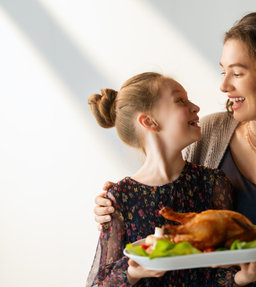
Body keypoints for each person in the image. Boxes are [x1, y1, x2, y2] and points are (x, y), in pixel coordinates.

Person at [94, 12, 256, 287]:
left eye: (237, 73)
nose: (224, 86)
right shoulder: (209, 133)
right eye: (223, 72)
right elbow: (165, 188)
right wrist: (114, 205)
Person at [86, 72, 234, 286]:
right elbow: (100, 282)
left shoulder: (213, 184)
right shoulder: (118, 198)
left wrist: (239, 278)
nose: (195, 107)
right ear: (149, 121)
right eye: (180, 100)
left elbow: (226, 264)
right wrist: (133, 272)